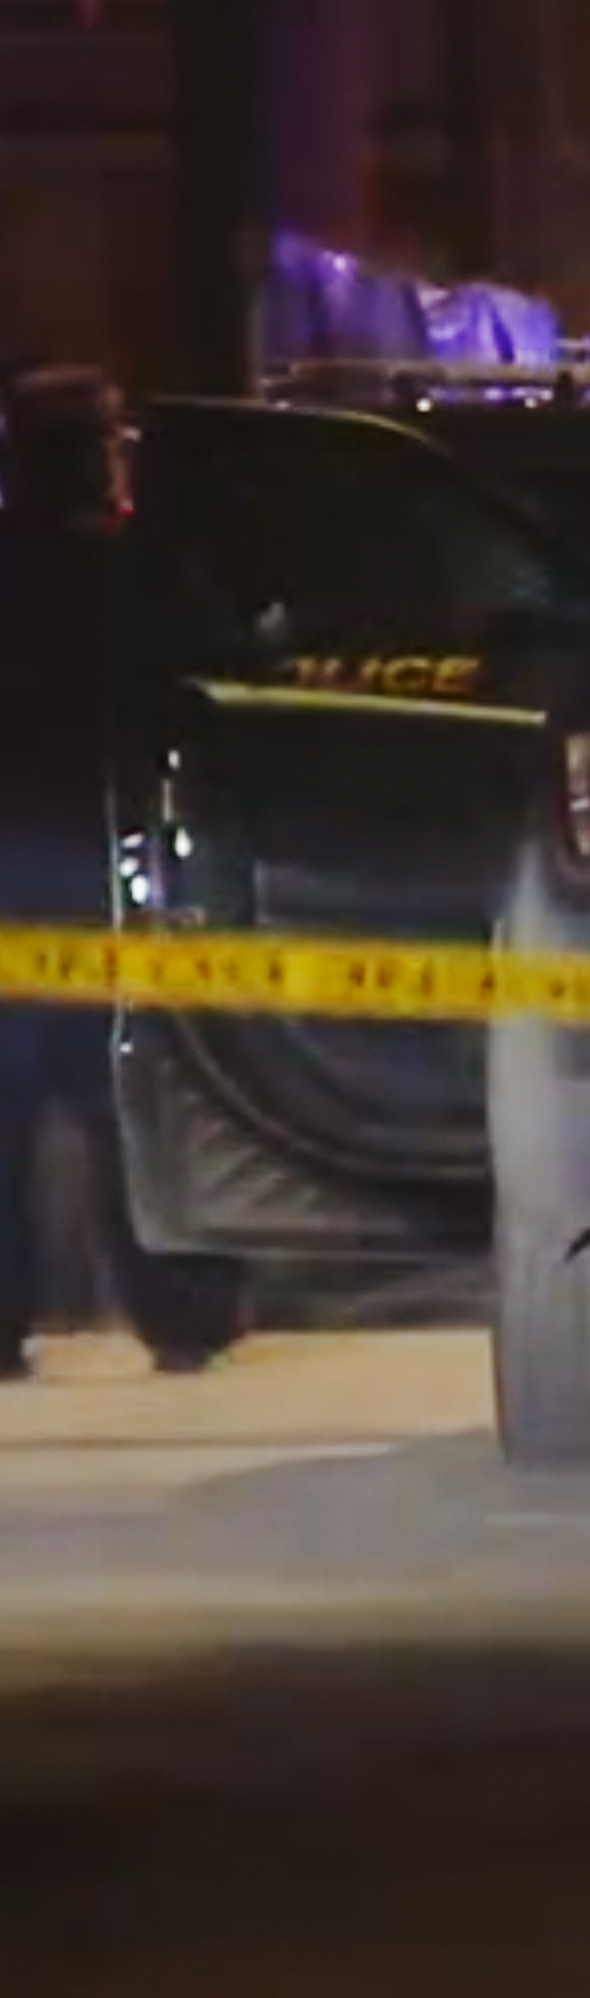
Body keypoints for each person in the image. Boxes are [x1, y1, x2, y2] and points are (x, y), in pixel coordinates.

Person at [0, 366, 189, 1380]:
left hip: (24, 860)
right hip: (99, 857)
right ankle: (177, 1310)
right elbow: (186, 685)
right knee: (123, 1089)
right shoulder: (126, 575)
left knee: (20, 1102)